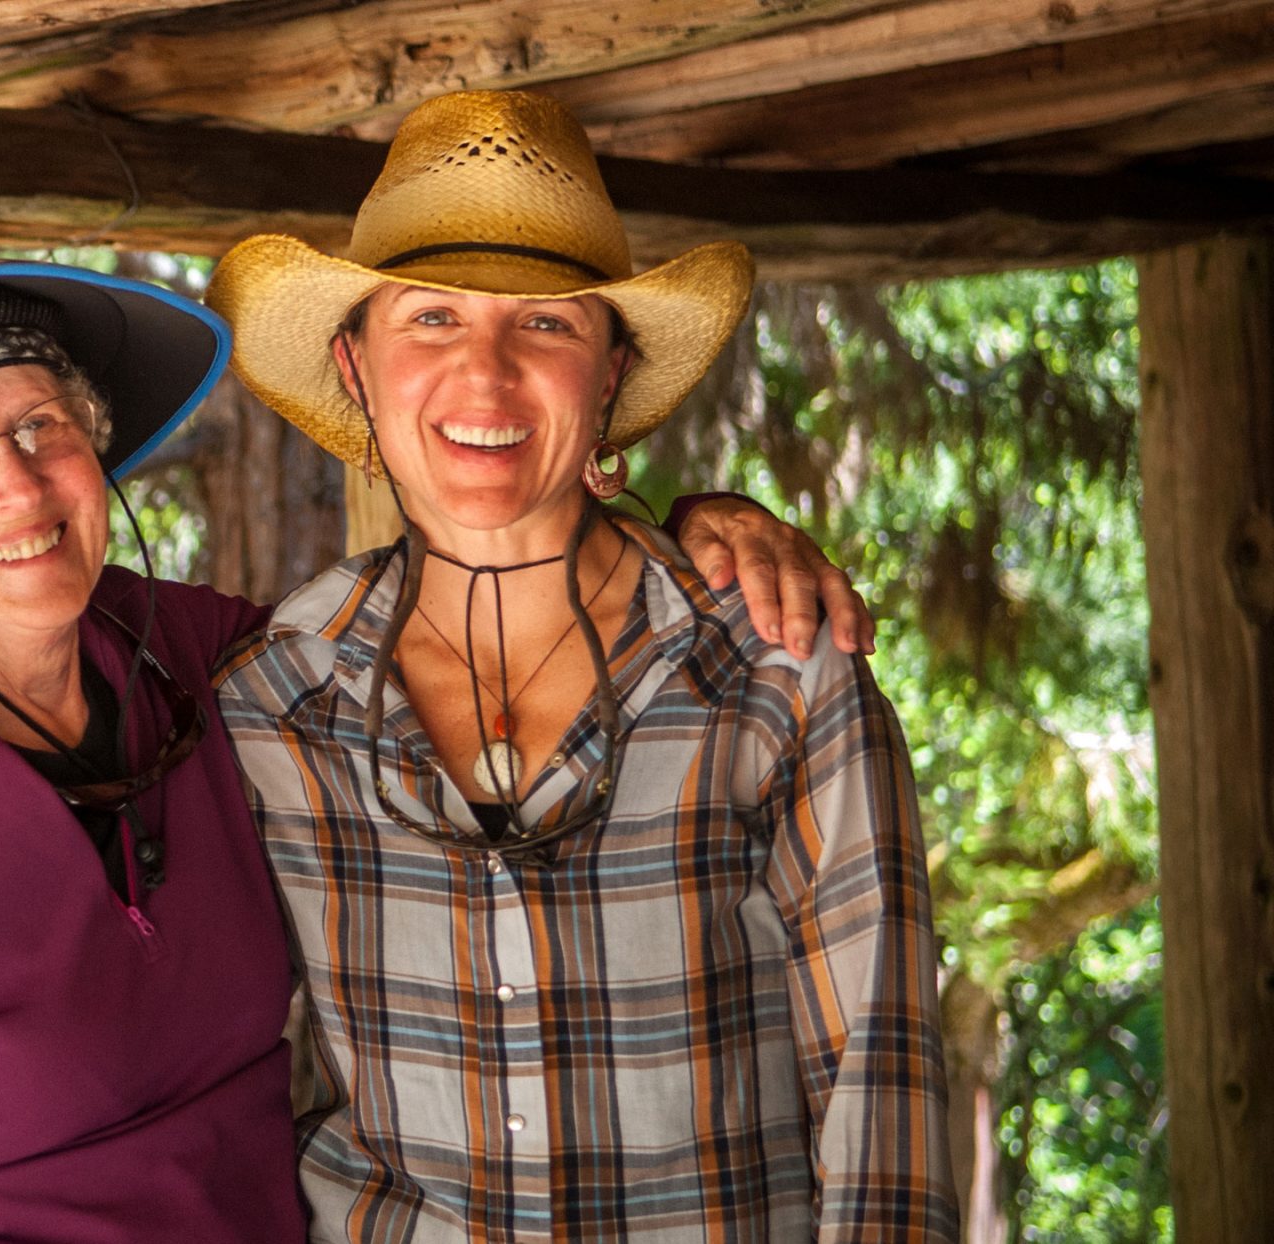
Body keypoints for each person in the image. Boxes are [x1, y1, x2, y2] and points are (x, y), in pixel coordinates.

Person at [0, 264, 865, 1237]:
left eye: (42, 428)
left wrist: (699, 525)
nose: (19, 488)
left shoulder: (206, 659)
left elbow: (470, 619)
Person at [203, 90, 957, 1239]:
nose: (486, 373)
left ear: (609, 375)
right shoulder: (270, 700)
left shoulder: (773, 670)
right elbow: (190, 1054)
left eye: (546, 324)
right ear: (355, 368)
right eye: (431, 318)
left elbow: (879, 1078)